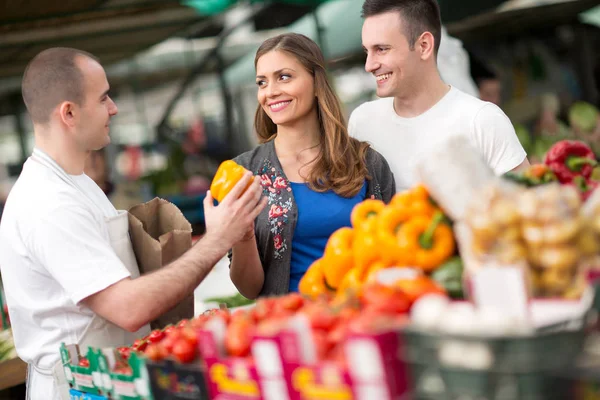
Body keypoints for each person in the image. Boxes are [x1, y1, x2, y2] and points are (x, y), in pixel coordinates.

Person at [0, 48, 267, 400]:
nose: (113, 108)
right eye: (104, 98)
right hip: (79, 388)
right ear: (69, 113)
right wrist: (217, 240)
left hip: (108, 377)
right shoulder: (48, 202)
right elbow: (127, 307)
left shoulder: (75, 181)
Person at [229, 33, 395, 298]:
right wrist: (243, 235)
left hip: (363, 315)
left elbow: (393, 255)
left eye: (284, 77)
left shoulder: (366, 163)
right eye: (262, 82)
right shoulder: (244, 174)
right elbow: (249, 290)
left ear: (317, 83)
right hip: (289, 325)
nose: (271, 91)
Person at [349, 0, 529, 192]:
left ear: (424, 46)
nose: (369, 65)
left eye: (381, 49)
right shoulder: (362, 122)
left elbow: (529, 208)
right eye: (367, 51)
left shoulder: (483, 120)